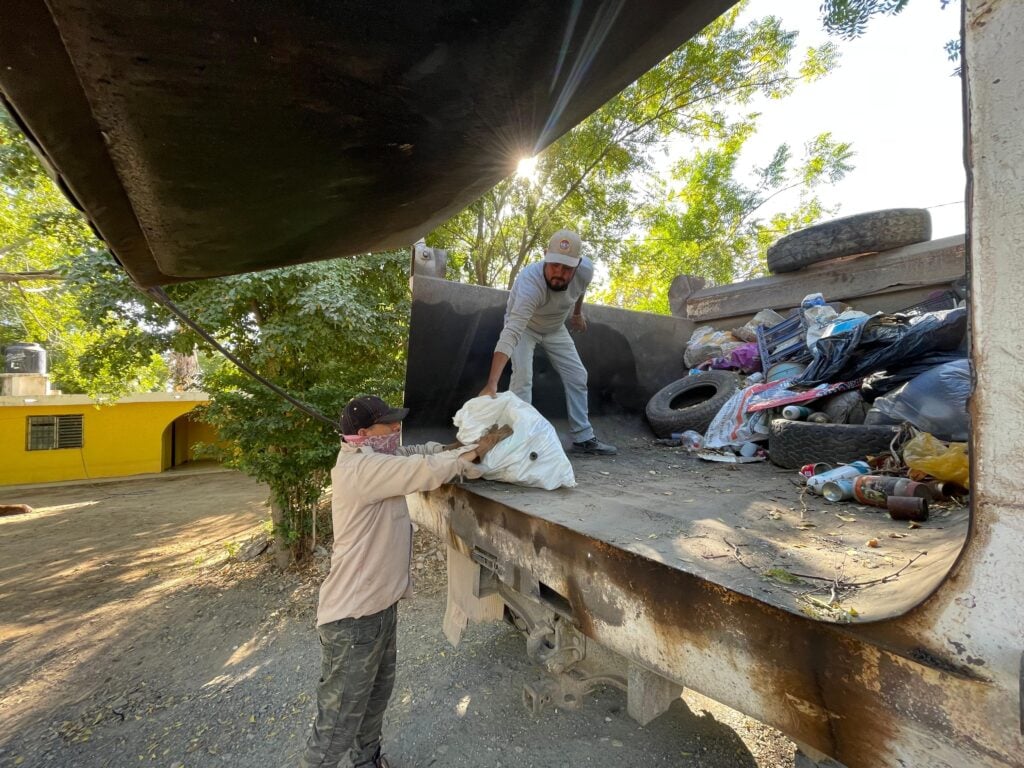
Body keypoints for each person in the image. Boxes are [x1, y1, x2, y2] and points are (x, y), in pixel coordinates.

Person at [299, 395, 507, 768]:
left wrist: (454, 447)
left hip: (378, 609)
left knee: (375, 698)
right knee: (337, 725)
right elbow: (423, 470)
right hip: (353, 619)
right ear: (363, 434)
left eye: (397, 422)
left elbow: (419, 453)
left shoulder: (379, 458)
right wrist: (474, 453)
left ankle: (367, 761)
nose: (397, 429)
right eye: (388, 424)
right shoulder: (360, 470)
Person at [479, 228, 617, 455]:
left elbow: (580, 289)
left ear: (578, 265)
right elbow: (511, 331)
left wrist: (577, 313)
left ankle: (583, 439)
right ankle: (519, 442)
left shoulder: (585, 271)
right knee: (522, 380)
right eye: (554, 265)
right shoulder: (529, 283)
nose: (559, 274)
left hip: (555, 328)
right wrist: (492, 383)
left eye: (567, 268)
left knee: (578, 375)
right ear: (545, 255)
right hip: (525, 328)